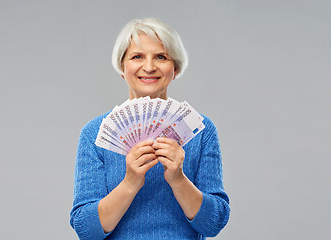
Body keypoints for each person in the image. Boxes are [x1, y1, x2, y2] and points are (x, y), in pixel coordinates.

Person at [70, 18, 230, 240]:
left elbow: (214, 223)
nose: (149, 67)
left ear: (175, 69)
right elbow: (86, 230)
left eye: (161, 57)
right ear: (122, 68)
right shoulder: (94, 133)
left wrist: (178, 178)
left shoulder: (201, 131)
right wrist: (130, 183)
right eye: (137, 57)